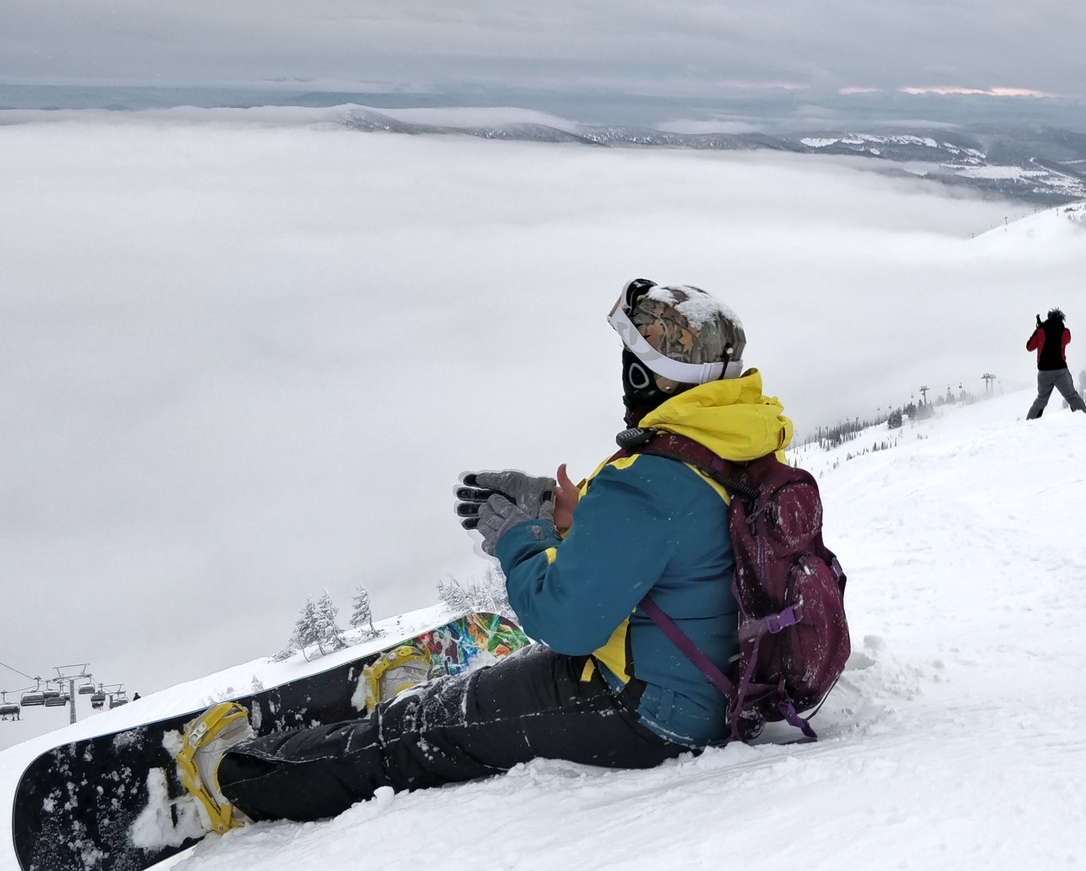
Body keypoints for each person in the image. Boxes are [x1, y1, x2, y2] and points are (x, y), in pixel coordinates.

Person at [167, 279, 793, 832]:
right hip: (726, 684)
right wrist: (572, 517)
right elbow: (684, 554)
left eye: (631, 360)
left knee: (426, 732)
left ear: (646, 376)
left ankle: (235, 780)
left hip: (651, 710)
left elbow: (565, 622)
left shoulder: (653, 479)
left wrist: (519, 537)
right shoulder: (740, 443)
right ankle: (402, 705)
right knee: (470, 702)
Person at [1025, 308, 1086, 419]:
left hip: (1044, 372)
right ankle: (1084, 418)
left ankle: (1029, 422)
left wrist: (1039, 329)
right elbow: (1067, 339)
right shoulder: (1064, 331)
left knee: (1041, 399)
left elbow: (1029, 347)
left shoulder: (1041, 330)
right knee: (1072, 397)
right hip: (1060, 371)